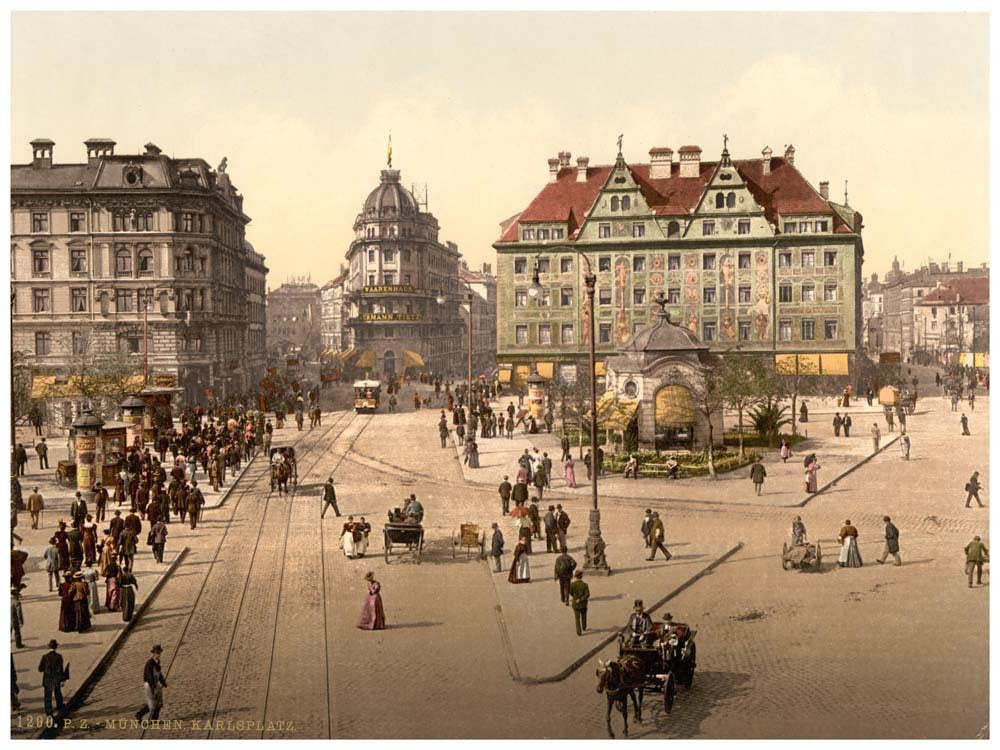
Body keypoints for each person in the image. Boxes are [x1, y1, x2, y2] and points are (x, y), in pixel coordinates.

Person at [136, 645, 167, 720]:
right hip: (150, 685)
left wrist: (163, 682)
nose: (158, 654)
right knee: (151, 703)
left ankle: (154, 719)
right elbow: (149, 677)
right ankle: (139, 714)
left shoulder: (157, 662)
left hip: (156, 684)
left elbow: (159, 674)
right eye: (157, 653)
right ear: (153, 653)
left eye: (159, 653)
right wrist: (153, 688)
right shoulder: (149, 663)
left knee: (159, 703)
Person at [38, 639, 68, 718]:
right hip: (56, 678)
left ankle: (49, 712)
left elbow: (40, 669)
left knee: (48, 696)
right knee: (58, 693)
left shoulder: (45, 657)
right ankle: (59, 706)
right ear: (56, 647)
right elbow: (60, 669)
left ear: (49, 647)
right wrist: (62, 679)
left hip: (47, 679)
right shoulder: (59, 657)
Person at [570, 570, 589, 636]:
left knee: (577, 618)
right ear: (581, 576)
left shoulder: (572, 585)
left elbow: (571, 593)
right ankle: (584, 627)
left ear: (576, 577)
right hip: (583, 604)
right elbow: (587, 594)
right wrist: (581, 599)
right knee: (584, 616)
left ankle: (579, 631)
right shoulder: (585, 585)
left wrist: (576, 597)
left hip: (575, 604)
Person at [11, 583, 25, 648]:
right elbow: (19, 613)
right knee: (17, 633)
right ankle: (18, 645)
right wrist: (21, 622)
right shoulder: (17, 602)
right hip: (14, 620)